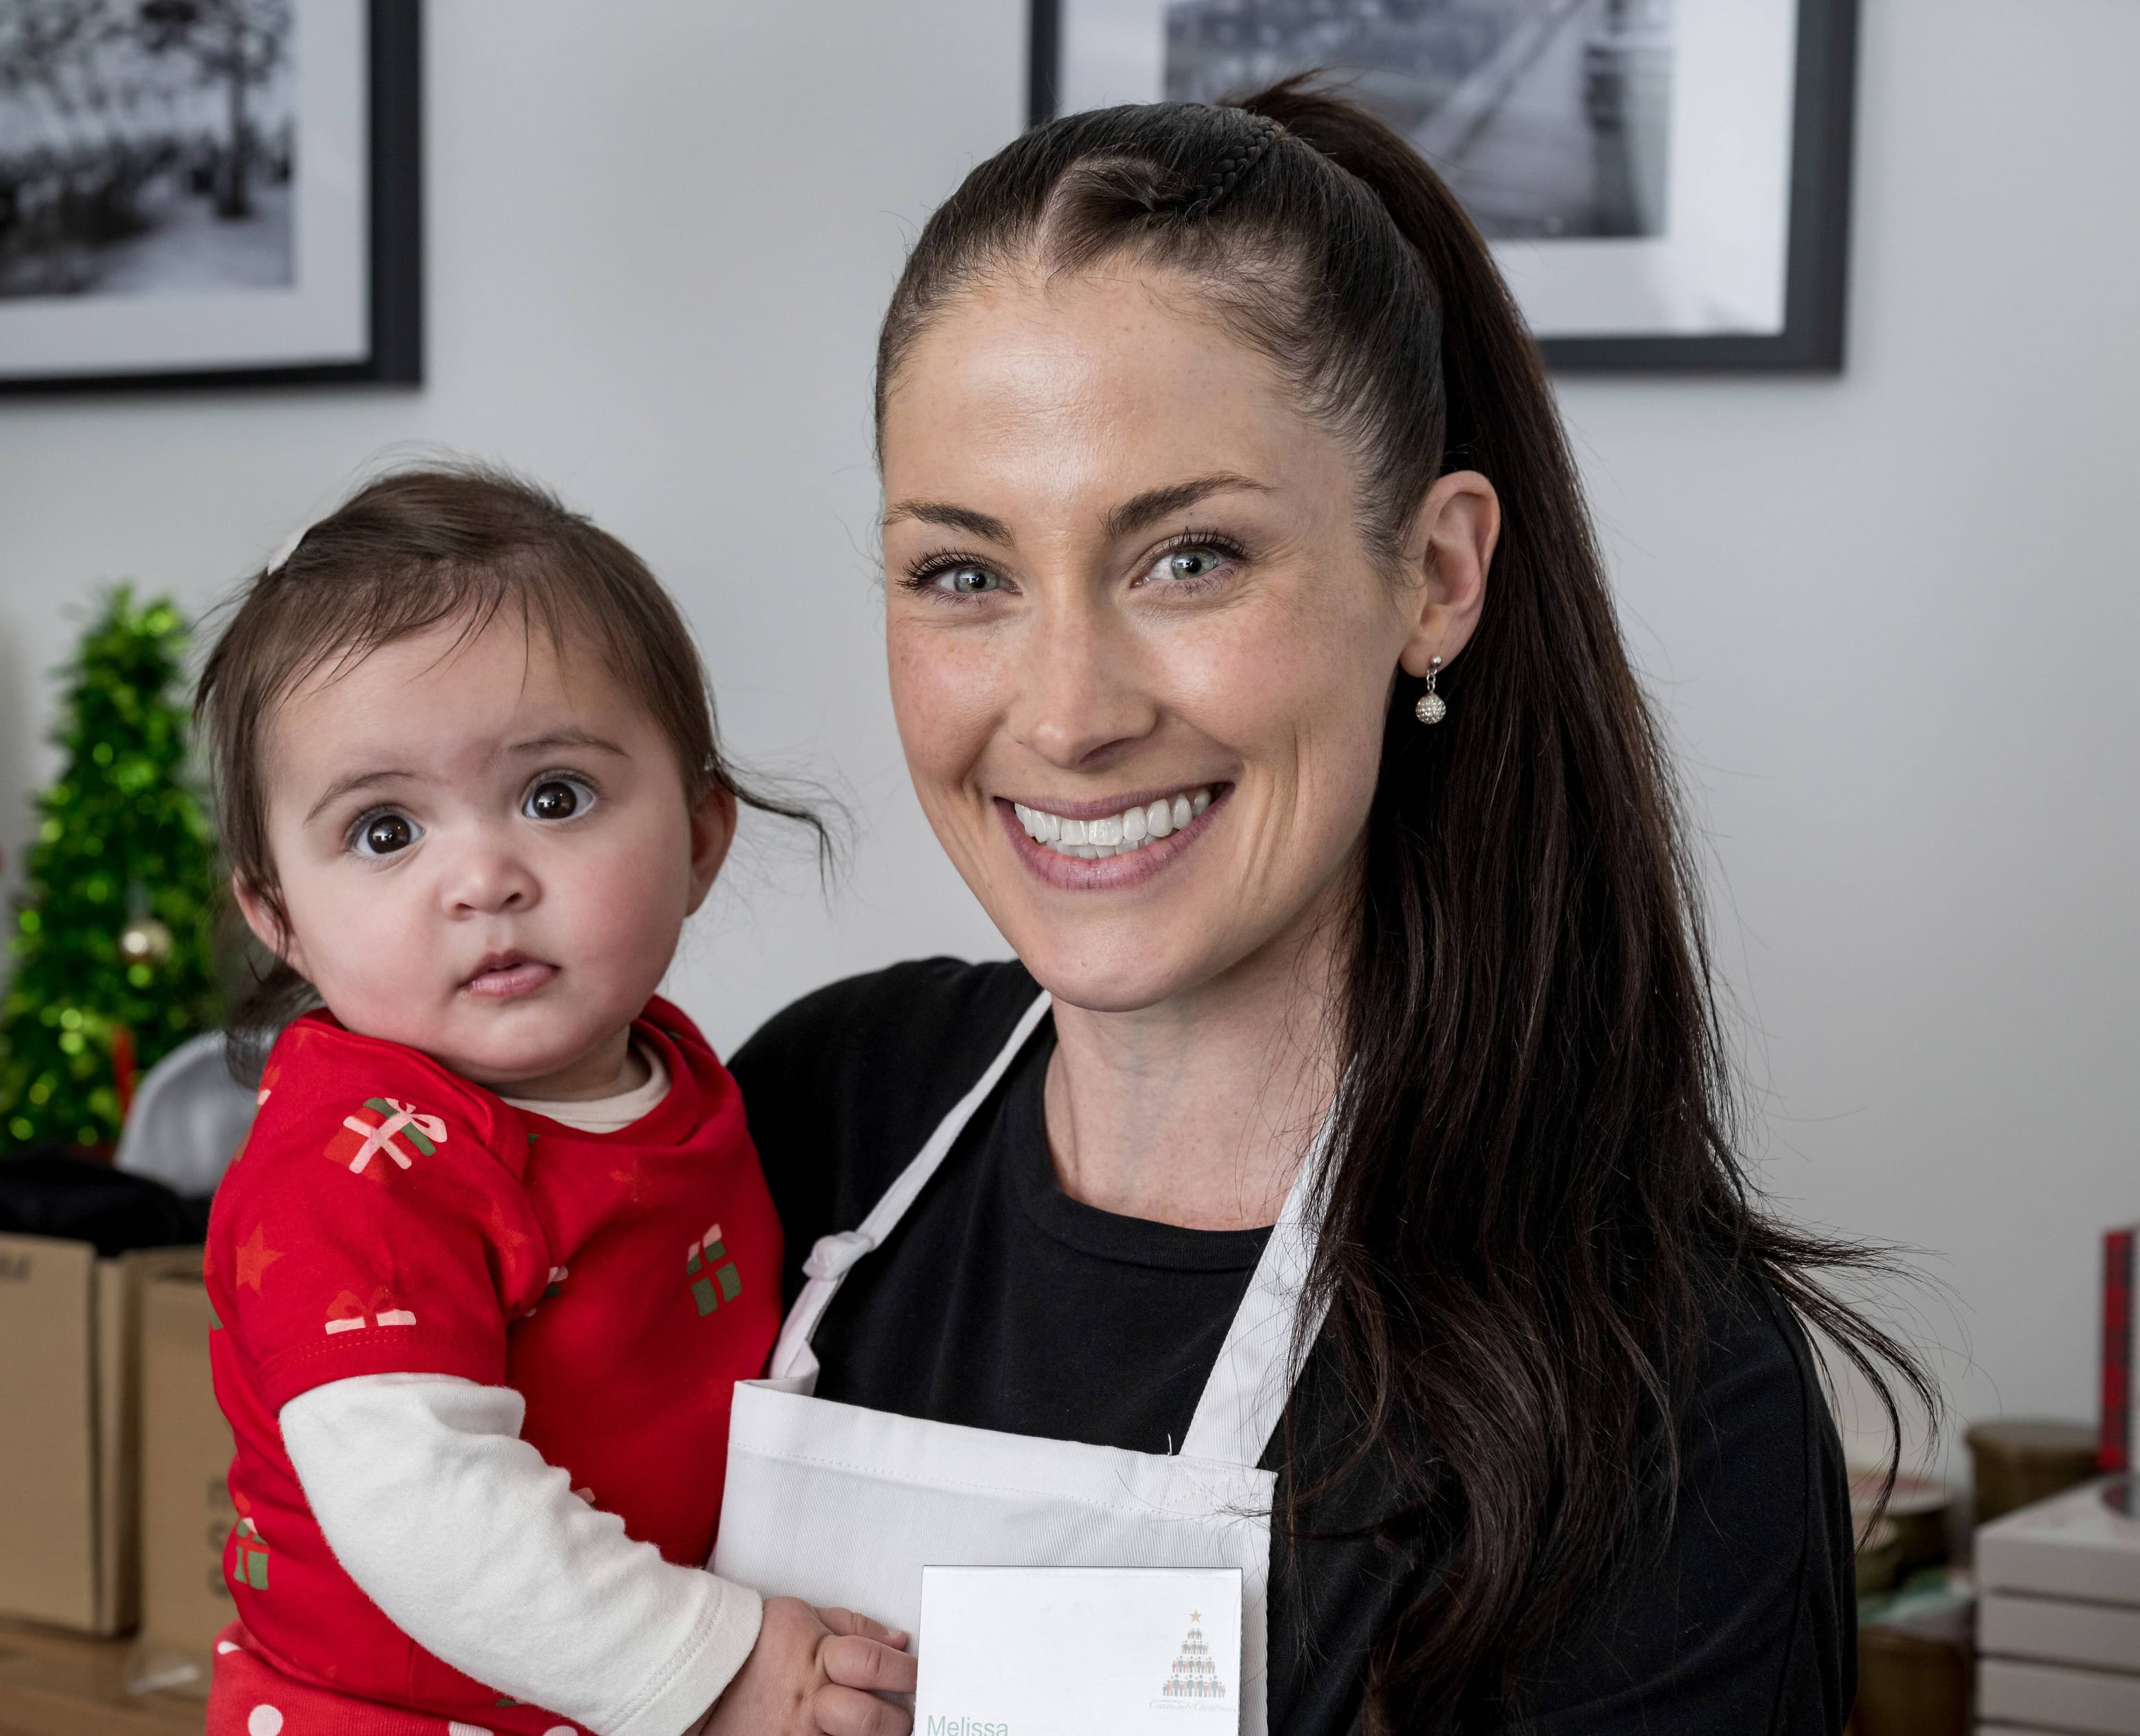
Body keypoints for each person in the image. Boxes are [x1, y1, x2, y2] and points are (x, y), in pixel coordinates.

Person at [718, 82, 1930, 1735]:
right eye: (965, 573)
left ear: (1436, 577)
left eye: (1190, 558)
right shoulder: (812, 1116)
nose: (1066, 713)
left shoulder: (1644, 1389)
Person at [195, 468, 914, 1736]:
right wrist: (724, 1662)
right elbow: (423, 1499)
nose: (482, 877)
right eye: (382, 832)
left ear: (700, 838)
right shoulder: (358, 1162)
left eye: (554, 797)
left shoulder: (684, 1077)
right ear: (279, 915)